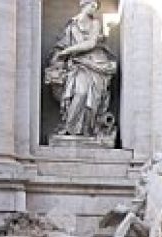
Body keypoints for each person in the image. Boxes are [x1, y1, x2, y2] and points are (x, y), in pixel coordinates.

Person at [45, 0, 117, 138]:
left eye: (96, 6)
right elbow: (63, 43)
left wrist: (66, 52)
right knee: (78, 93)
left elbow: (91, 43)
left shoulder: (95, 23)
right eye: (92, 5)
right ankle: (71, 129)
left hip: (94, 64)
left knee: (84, 94)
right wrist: (57, 56)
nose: (94, 8)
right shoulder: (72, 24)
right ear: (83, 4)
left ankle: (84, 130)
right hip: (76, 65)